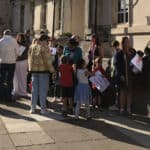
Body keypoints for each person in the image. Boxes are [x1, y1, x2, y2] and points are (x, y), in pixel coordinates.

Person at [28, 34, 55, 114]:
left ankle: (32, 108)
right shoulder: (45, 48)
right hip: (43, 71)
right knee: (43, 91)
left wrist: (30, 69)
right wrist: (52, 70)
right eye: (48, 41)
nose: (48, 43)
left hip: (34, 71)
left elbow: (29, 58)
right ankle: (43, 109)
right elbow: (48, 61)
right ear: (45, 40)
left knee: (34, 91)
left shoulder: (32, 46)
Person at [116, 37, 136, 115]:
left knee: (130, 92)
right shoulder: (120, 53)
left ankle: (128, 109)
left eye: (129, 41)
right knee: (123, 91)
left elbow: (136, 61)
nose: (128, 43)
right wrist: (120, 74)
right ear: (123, 43)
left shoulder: (133, 51)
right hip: (123, 75)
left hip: (131, 75)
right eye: (127, 41)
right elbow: (117, 65)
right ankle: (121, 109)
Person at [0, 29, 18, 101]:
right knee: (10, 80)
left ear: (4, 34)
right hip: (11, 62)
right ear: (10, 34)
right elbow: (17, 52)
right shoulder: (14, 41)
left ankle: (1, 96)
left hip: (2, 62)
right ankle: (8, 97)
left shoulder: (1, 41)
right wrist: (14, 58)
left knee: (1, 79)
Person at [13, 33, 28, 98]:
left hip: (22, 62)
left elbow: (24, 55)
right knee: (15, 77)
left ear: (22, 38)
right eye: (17, 37)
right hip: (15, 62)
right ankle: (16, 90)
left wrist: (16, 58)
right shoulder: (15, 44)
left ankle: (22, 92)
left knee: (22, 77)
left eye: (19, 37)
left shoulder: (25, 45)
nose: (18, 38)